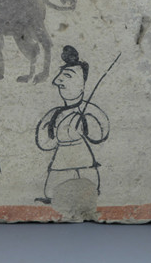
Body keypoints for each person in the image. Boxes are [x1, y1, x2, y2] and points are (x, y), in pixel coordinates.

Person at [35, 45, 109, 204]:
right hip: (61, 156)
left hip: (83, 156)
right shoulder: (55, 114)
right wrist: (55, 136)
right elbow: (44, 142)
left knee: (90, 184)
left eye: (68, 76)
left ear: (82, 85)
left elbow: (100, 133)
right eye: (61, 76)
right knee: (51, 189)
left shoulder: (88, 110)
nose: (58, 81)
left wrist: (86, 124)